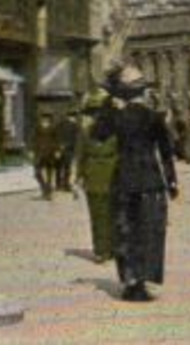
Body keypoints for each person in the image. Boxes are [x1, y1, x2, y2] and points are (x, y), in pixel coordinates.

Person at [94, 66, 179, 302]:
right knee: (149, 232)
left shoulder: (116, 116)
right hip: (151, 181)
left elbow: (98, 134)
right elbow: (166, 152)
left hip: (123, 180)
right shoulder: (154, 117)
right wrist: (172, 182)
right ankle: (143, 281)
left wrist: (107, 105)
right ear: (142, 92)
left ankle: (130, 281)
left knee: (125, 231)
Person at [75, 92, 120, 262]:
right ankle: (112, 248)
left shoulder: (86, 132)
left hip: (93, 177)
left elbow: (80, 155)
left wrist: (78, 177)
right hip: (112, 177)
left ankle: (101, 250)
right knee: (113, 214)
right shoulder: (117, 132)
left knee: (97, 216)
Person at [33, 113, 61, 200]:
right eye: (43, 119)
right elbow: (33, 138)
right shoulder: (37, 127)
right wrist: (31, 150)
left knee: (49, 173)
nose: (45, 120)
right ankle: (44, 187)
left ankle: (48, 192)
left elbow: (57, 139)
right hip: (39, 152)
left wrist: (57, 150)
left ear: (49, 120)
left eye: (47, 119)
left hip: (50, 153)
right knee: (37, 173)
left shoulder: (53, 128)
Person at [56, 111, 81, 193]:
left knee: (59, 167)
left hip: (59, 149)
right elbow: (75, 139)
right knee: (67, 168)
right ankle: (66, 185)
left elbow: (56, 135)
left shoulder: (60, 124)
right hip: (69, 150)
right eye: (74, 117)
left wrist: (59, 146)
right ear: (72, 117)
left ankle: (58, 185)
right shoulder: (75, 126)